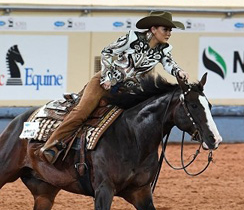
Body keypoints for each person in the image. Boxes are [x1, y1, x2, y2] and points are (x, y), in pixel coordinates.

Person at [39, 10, 190, 164]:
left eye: (170, 30)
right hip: (103, 83)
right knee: (81, 112)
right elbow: (107, 52)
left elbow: (169, 64)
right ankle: (52, 146)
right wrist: (107, 77)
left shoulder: (164, 50)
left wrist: (179, 72)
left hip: (129, 90)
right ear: (153, 29)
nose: (169, 33)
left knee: (136, 117)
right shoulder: (132, 38)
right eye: (166, 29)